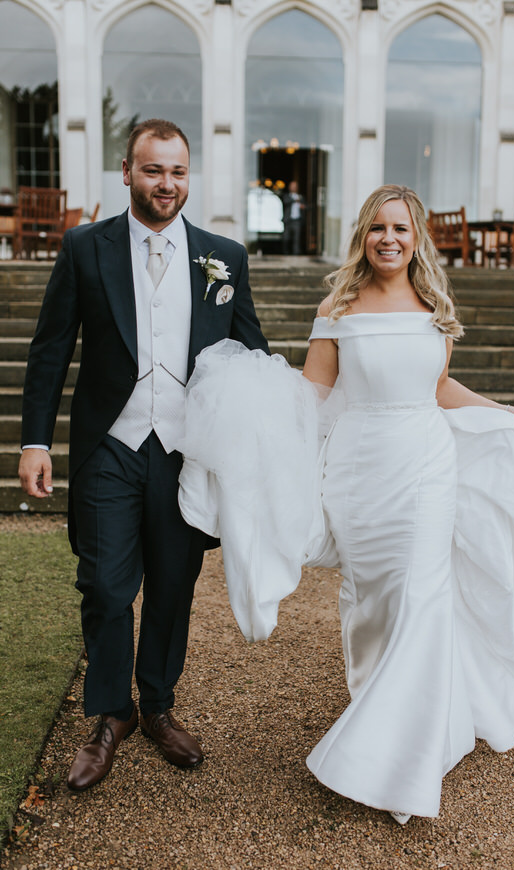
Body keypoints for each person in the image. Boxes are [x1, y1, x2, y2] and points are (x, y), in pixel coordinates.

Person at [176, 184, 514, 825]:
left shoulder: (434, 305)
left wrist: (503, 414)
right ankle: (390, 714)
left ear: (417, 237)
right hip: (359, 473)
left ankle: (400, 759)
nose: (388, 239)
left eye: (401, 228)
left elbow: (439, 385)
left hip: (424, 466)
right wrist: (252, 426)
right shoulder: (337, 305)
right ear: (363, 235)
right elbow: (312, 395)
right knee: (372, 604)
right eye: (376, 228)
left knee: (420, 598)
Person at [18, 118, 269, 792]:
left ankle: (157, 706)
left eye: (178, 171)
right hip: (112, 443)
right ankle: (110, 715)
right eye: (154, 170)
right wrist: (36, 441)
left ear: (190, 176)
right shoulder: (84, 248)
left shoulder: (224, 257)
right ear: (126, 172)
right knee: (103, 585)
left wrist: (278, 431)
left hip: (187, 450)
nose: (167, 183)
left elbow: (253, 356)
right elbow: (50, 352)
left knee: (172, 584)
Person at [282, 180, 305, 255]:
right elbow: (285, 202)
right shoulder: (287, 196)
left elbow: (306, 206)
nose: (294, 188)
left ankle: (296, 253)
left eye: (295, 186)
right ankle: (286, 253)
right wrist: (295, 200)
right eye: (292, 186)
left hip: (297, 220)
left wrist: (303, 206)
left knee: (297, 239)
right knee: (286, 238)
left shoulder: (301, 197)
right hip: (288, 220)